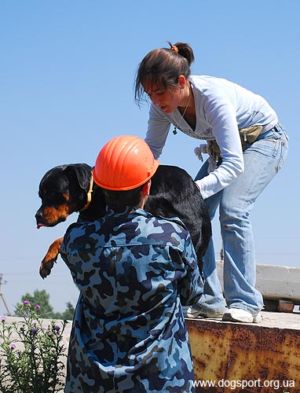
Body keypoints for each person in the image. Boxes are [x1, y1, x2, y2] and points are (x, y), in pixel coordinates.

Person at [135, 42, 288, 323]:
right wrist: (129, 181)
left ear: (181, 82)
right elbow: (151, 153)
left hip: (264, 142)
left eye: (159, 92)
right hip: (225, 151)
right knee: (189, 212)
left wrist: (193, 190)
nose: (156, 101)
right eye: (149, 94)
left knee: (233, 209)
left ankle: (245, 301)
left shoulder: (213, 98)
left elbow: (234, 165)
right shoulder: (161, 109)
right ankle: (208, 299)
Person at [60, 135, 203, 393]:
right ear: (147, 188)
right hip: (161, 381)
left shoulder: (76, 240)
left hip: (91, 382)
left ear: (100, 188)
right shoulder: (172, 238)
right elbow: (192, 294)